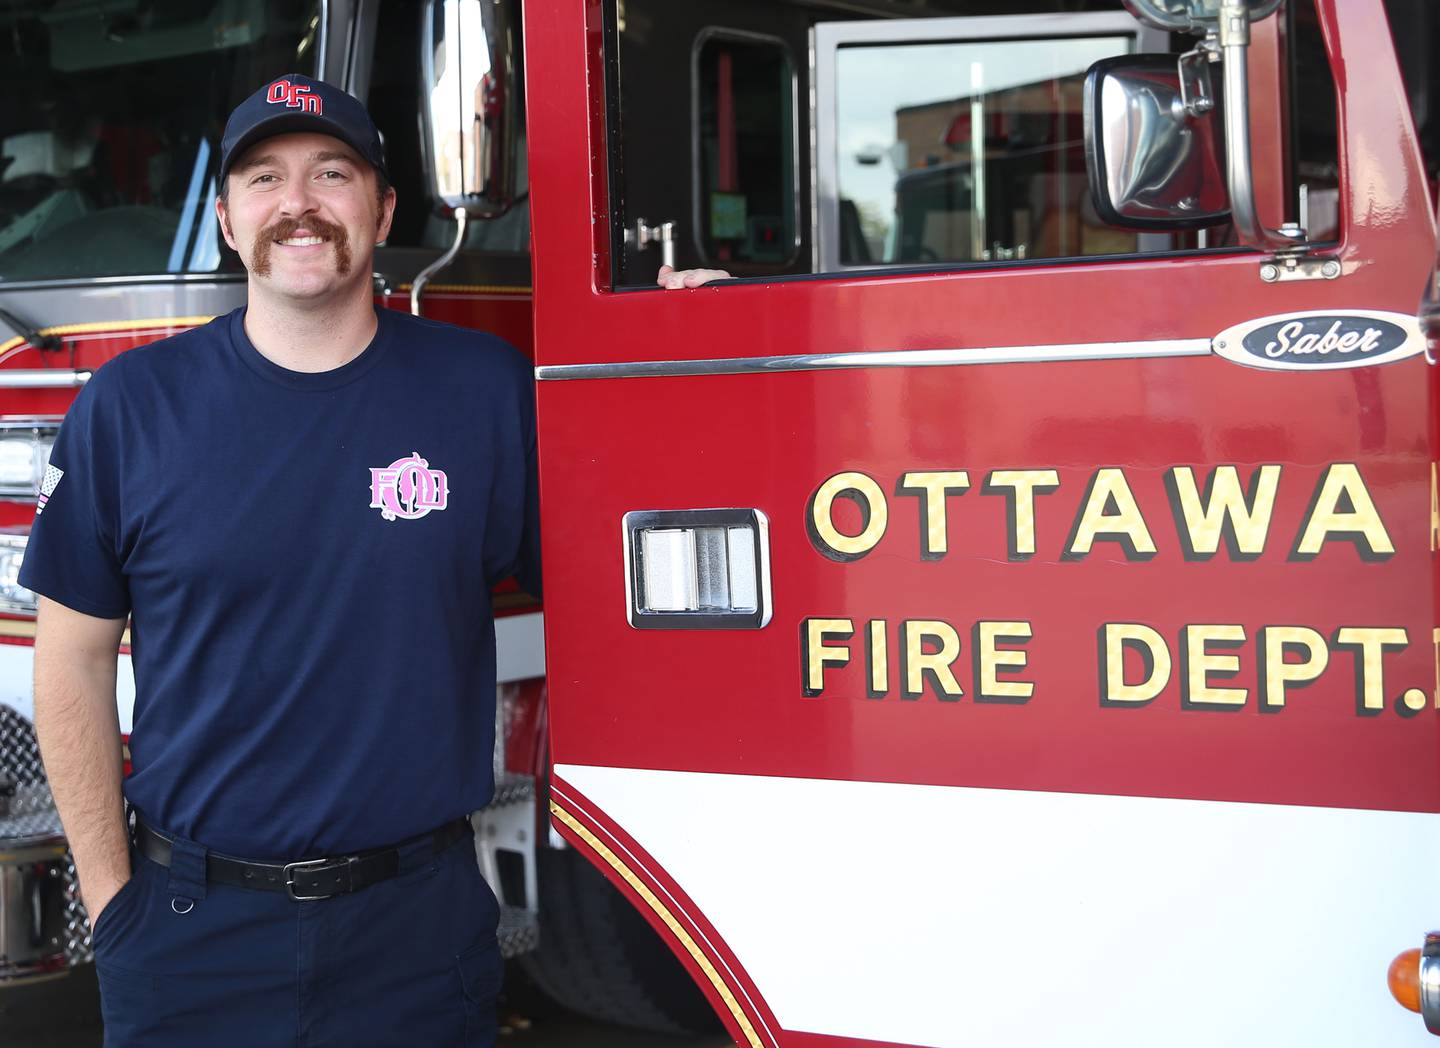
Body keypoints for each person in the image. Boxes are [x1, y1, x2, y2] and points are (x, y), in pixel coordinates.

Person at [21, 73, 721, 1047]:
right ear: (227, 219)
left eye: (332, 173)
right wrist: (112, 904)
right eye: (263, 179)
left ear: (384, 208)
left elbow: (620, 564)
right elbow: (72, 660)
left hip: (416, 929)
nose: (297, 203)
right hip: (189, 934)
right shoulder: (131, 407)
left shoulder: (483, 393)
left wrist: (688, 359)